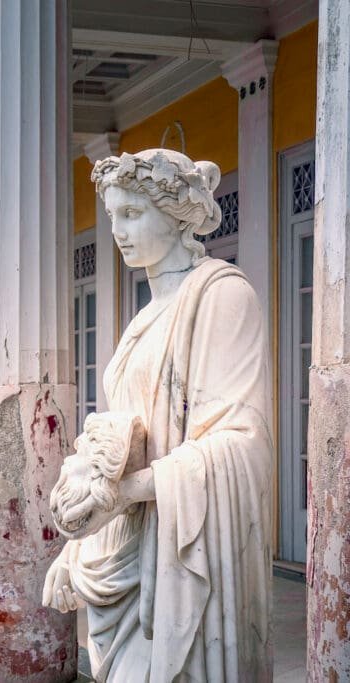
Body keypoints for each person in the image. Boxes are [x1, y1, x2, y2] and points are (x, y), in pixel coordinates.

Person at [42, 149, 272, 682]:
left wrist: (130, 491)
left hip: (186, 552)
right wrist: (77, 551)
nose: (118, 231)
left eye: (132, 214)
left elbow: (242, 443)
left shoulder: (222, 297)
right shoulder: (142, 319)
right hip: (127, 551)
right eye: (113, 216)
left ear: (175, 214)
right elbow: (116, 451)